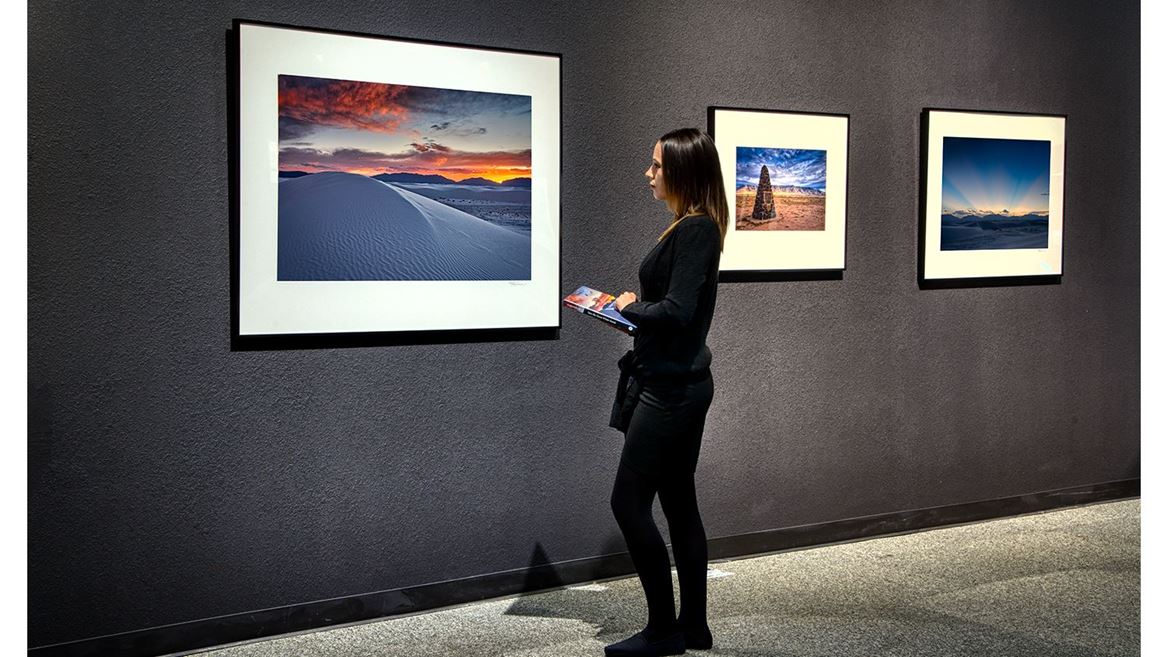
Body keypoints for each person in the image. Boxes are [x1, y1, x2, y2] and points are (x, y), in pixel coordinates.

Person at [604, 128, 728, 657]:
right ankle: (692, 627)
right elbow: (675, 316)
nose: (648, 174)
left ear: (682, 171)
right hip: (672, 382)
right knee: (679, 504)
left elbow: (677, 312)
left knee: (628, 503)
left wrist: (627, 305)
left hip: (671, 392)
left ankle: (663, 631)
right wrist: (629, 316)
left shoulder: (696, 230)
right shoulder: (688, 226)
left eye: (657, 165)